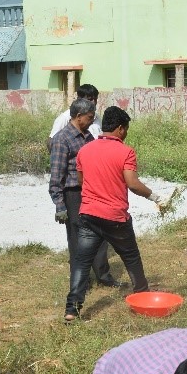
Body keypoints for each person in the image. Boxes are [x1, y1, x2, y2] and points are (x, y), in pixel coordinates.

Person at [66, 106, 161, 322]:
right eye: (126, 129)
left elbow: (82, 182)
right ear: (119, 129)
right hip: (115, 217)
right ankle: (143, 297)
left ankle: (72, 309)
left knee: (81, 262)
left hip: (88, 215)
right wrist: (155, 197)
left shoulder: (85, 150)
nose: (126, 133)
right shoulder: (126, 152)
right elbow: (133, 184)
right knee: (131, 257)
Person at [50, 98, 117, 289]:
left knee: (99, 233)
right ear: (78, 117)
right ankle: (81, 282)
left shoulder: (88, 137)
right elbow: (56, 177)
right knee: (77, 239)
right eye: (89, 117)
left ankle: (104, 276)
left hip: (92, 192)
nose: (91, 121)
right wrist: (60, 205)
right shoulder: (62, 140)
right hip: (73, 195)